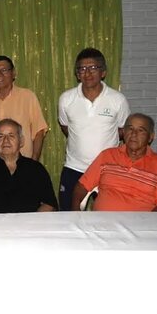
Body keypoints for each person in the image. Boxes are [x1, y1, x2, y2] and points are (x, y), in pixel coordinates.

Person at [57, 48, 130, 210]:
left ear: (103, 72)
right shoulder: (66, 99)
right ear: (77, 74)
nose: (87, 73)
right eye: (82, 69)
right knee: (69, 217)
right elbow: (65, 127)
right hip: (74, 168)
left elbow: (123, 130)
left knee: (110, 218)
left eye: (93, 68)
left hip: (108, 169)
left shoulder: (117, 100)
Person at [71, 113, 157, 212]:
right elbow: (81, 187)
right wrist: (76, 214)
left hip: (139, 227)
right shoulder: (107, 156)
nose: (134, 134)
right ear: (123, 132)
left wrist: (148, 225)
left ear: (150, 137)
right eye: (130, 129)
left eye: (141, 130)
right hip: (102, 224)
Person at [0, 118, 58, 213]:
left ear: (21, 141)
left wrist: (30, 225)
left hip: (28, 227)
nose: (6, 140)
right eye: (0, 136)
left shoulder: (36, 169)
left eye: (11, 136)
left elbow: (49, 204)